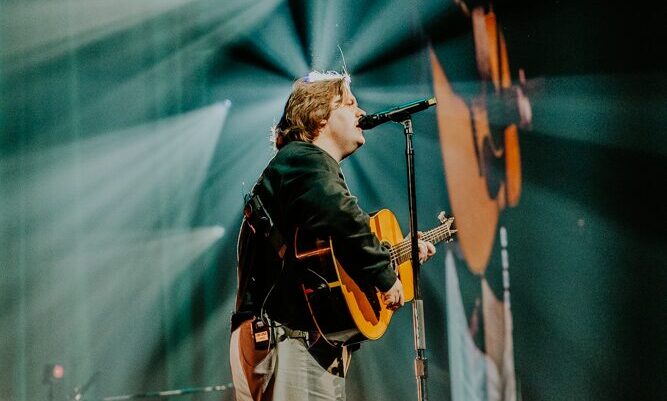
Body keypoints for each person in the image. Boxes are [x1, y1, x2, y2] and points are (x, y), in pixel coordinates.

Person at [229, 70, 436, 401]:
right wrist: (383, 275)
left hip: (303, 340)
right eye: (350, 103)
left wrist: (396, 255)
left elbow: (333, 248)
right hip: (286, 338)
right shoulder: (303, 161)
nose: (361, 112)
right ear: (320, 114)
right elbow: (343, 217)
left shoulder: (304, 171)